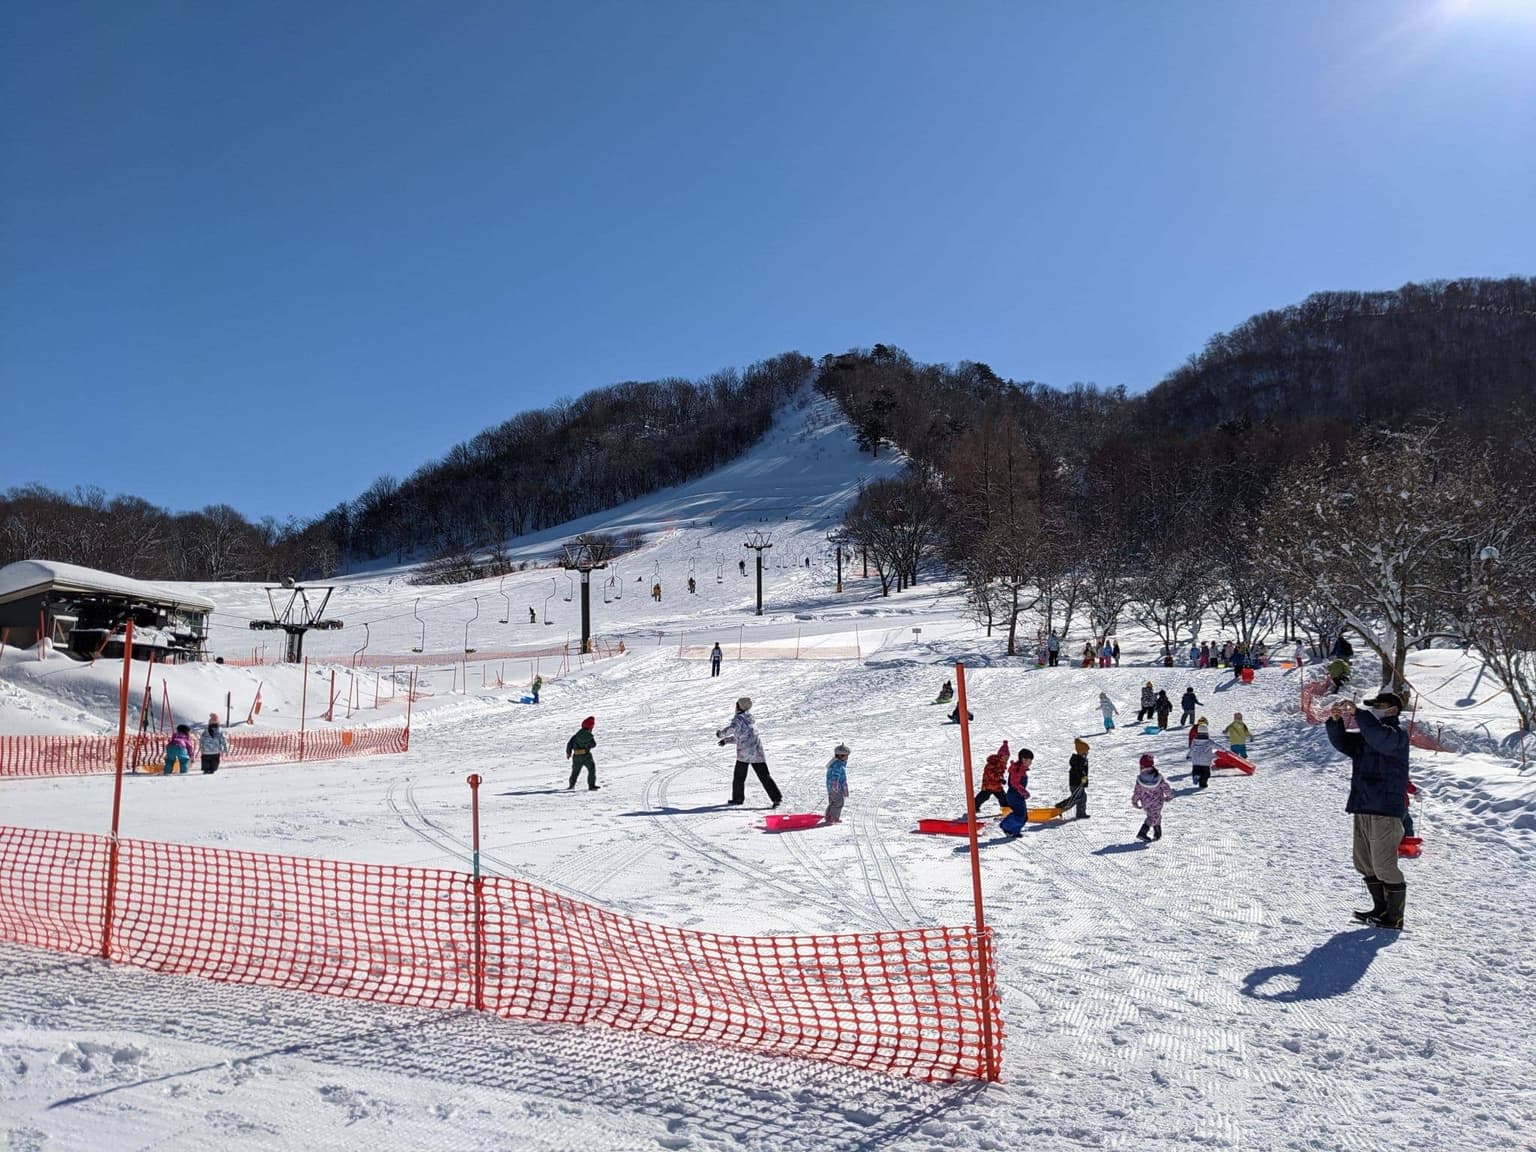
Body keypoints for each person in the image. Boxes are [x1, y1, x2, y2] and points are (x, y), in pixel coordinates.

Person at [1326, 692, 1412, 930]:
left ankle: (1394, 917)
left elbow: (1379, 738)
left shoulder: (1395, 735)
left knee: (1384, 864)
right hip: (1363, 805)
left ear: (1392, 710)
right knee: (1364, 862)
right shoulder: (1369, 734)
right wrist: (1335, 722)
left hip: (1385, 808)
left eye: (1378, 706)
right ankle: (1380, 909)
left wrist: (1359, 714)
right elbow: (1343, 743)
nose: (1374, 709)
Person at [718, 696, 782, 808]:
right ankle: (777, 798)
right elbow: (743, 737)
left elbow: (732, 729)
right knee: (764, 776)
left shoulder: (738, 719)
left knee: (739, 777)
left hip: (745, 753)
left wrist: (721, 734)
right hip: (757, 751)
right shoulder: (750, 719)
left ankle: (738, 798)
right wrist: (726, 741)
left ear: (739, 706)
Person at [1132, 753, 1173, 842]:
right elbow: (1165, 787)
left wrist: (1134, 801)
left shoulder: (1140, 779)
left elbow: (1137, 792)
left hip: (1145, 802)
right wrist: (1169, 795)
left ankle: (1157, 833)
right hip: (1157, 802)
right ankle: (1142, 833)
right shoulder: (1157, 776)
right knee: (1153, 816)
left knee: (1154, 815)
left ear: (1141, 766)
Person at [1000, 748, 1033, 835]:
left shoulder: (1021, 769)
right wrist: (1023, 791)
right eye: (1029, 761)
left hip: (1018, 796)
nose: (1030, 763)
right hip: (1014, 795)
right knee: (1019, 815)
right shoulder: (1018, 769)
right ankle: (1005, 825)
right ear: (1023, 759)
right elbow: (1015, 783)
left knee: (1024, 816)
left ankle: (1014, 831)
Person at [565, 716, 600, 790]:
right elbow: (593, 745)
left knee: (575, 772)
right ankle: (591, 786)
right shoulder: (589, 736)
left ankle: (571, 785)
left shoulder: (575, 736)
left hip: (577, 756)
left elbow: (569, 744)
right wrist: (588, 745)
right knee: (591, 770)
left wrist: (568, 753)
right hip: (586, 756)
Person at [975, 743, 1008, 812]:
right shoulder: (993, 762)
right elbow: (990, 773)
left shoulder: (1002, 763)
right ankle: (974, 806)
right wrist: (999, 779)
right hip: (989, 784)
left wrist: (1001, 779)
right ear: (1000, 756)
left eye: (1007, 757)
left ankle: (1006, 809)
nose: (1006, 759)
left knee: (1003, 797)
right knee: (984, 796)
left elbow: (999, 774)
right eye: (1005, 757)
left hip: (996, 785)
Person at [824, 743, 850, 824]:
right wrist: (835, 786)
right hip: (836, 788)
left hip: (831, 787)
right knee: (838, 803)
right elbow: (835, 777)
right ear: (841, 756)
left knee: (833, 802)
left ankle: (828, 816)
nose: (847, 758)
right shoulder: (838, 765)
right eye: (846, 756)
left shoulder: (836, 764)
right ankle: (833, 818)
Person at [1067, 739, 1090, 819]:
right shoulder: (1077, 760)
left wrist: (1084, 779)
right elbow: (1078, 771)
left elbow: (1084, 771)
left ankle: (1081, 813)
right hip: (1076, 783)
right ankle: (1080, 813)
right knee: (1078, 798)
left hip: (1079, 783)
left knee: (1081, 797)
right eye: (1086, 751)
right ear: (1081, 751)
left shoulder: (1082, 760)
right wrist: (1082, 777)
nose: (1087, 753)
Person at [1189, 723, 1215, 789]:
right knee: (1206, 774)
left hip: (1195, 761)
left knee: (1196, 770)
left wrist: (1189, 755)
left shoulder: (1194, 741)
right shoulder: (1209, 741)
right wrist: (1225, 750)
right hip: (1205, 762)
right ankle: (1203, 784)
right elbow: (1217, 746)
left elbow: (1191, 749)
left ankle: (1196, 775)